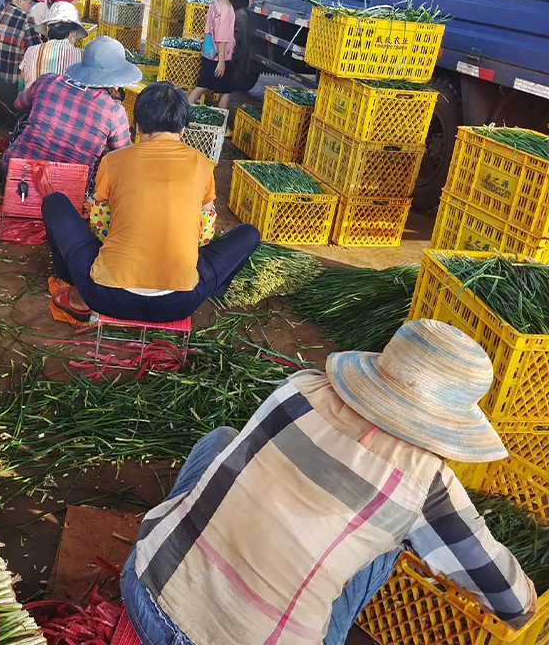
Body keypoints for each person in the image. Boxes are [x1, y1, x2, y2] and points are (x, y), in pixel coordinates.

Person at [120, 318, 537, 645]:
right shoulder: (428, 485)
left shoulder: (299, 389)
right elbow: (513, 604)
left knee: (223, 440)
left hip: (142, 588)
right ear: (449, 422)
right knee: (385, 549)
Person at [41, 82, 261, 323]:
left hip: (106, 295)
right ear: (183, 130)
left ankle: (77, 301)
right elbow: (205, 231)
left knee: (55, 202)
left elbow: (99, 223)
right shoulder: (201, 163)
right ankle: (214, 288)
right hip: (180, 302)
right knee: (249, 233)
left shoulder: (114, 160)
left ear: (137, 127)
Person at [0, 36, 134, 187]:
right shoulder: (114, 110)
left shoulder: (47, 82)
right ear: (115, 80)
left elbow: (19, 104)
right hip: (68, 191)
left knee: (25, 119)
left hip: (16, 175)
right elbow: (125, 155)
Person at [188, 0, 240, 111]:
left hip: (208, 53)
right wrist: (222, 61)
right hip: (220, 58)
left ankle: (182, 111)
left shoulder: (215, 1)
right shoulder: (226, 10)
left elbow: (213, 27)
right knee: (226, 91)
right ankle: (222, 122)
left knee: (202, 86)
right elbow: (222, 38)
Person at [20, 1, 86, 88]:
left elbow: (22, 80)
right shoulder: (81, 57)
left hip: (32, 100)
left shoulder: (31, 51)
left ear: (48, 29)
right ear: (74, 34)